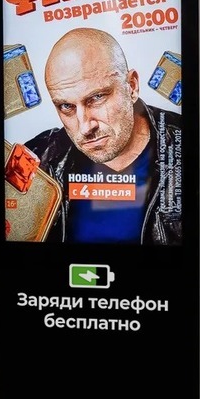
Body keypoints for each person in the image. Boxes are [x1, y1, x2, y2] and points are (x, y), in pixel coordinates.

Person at [25, 27, 182, 244]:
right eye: (66, 106)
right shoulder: (38, 159)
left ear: (132, 86)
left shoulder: (182, 143)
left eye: (97, 97)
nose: (85, 127)